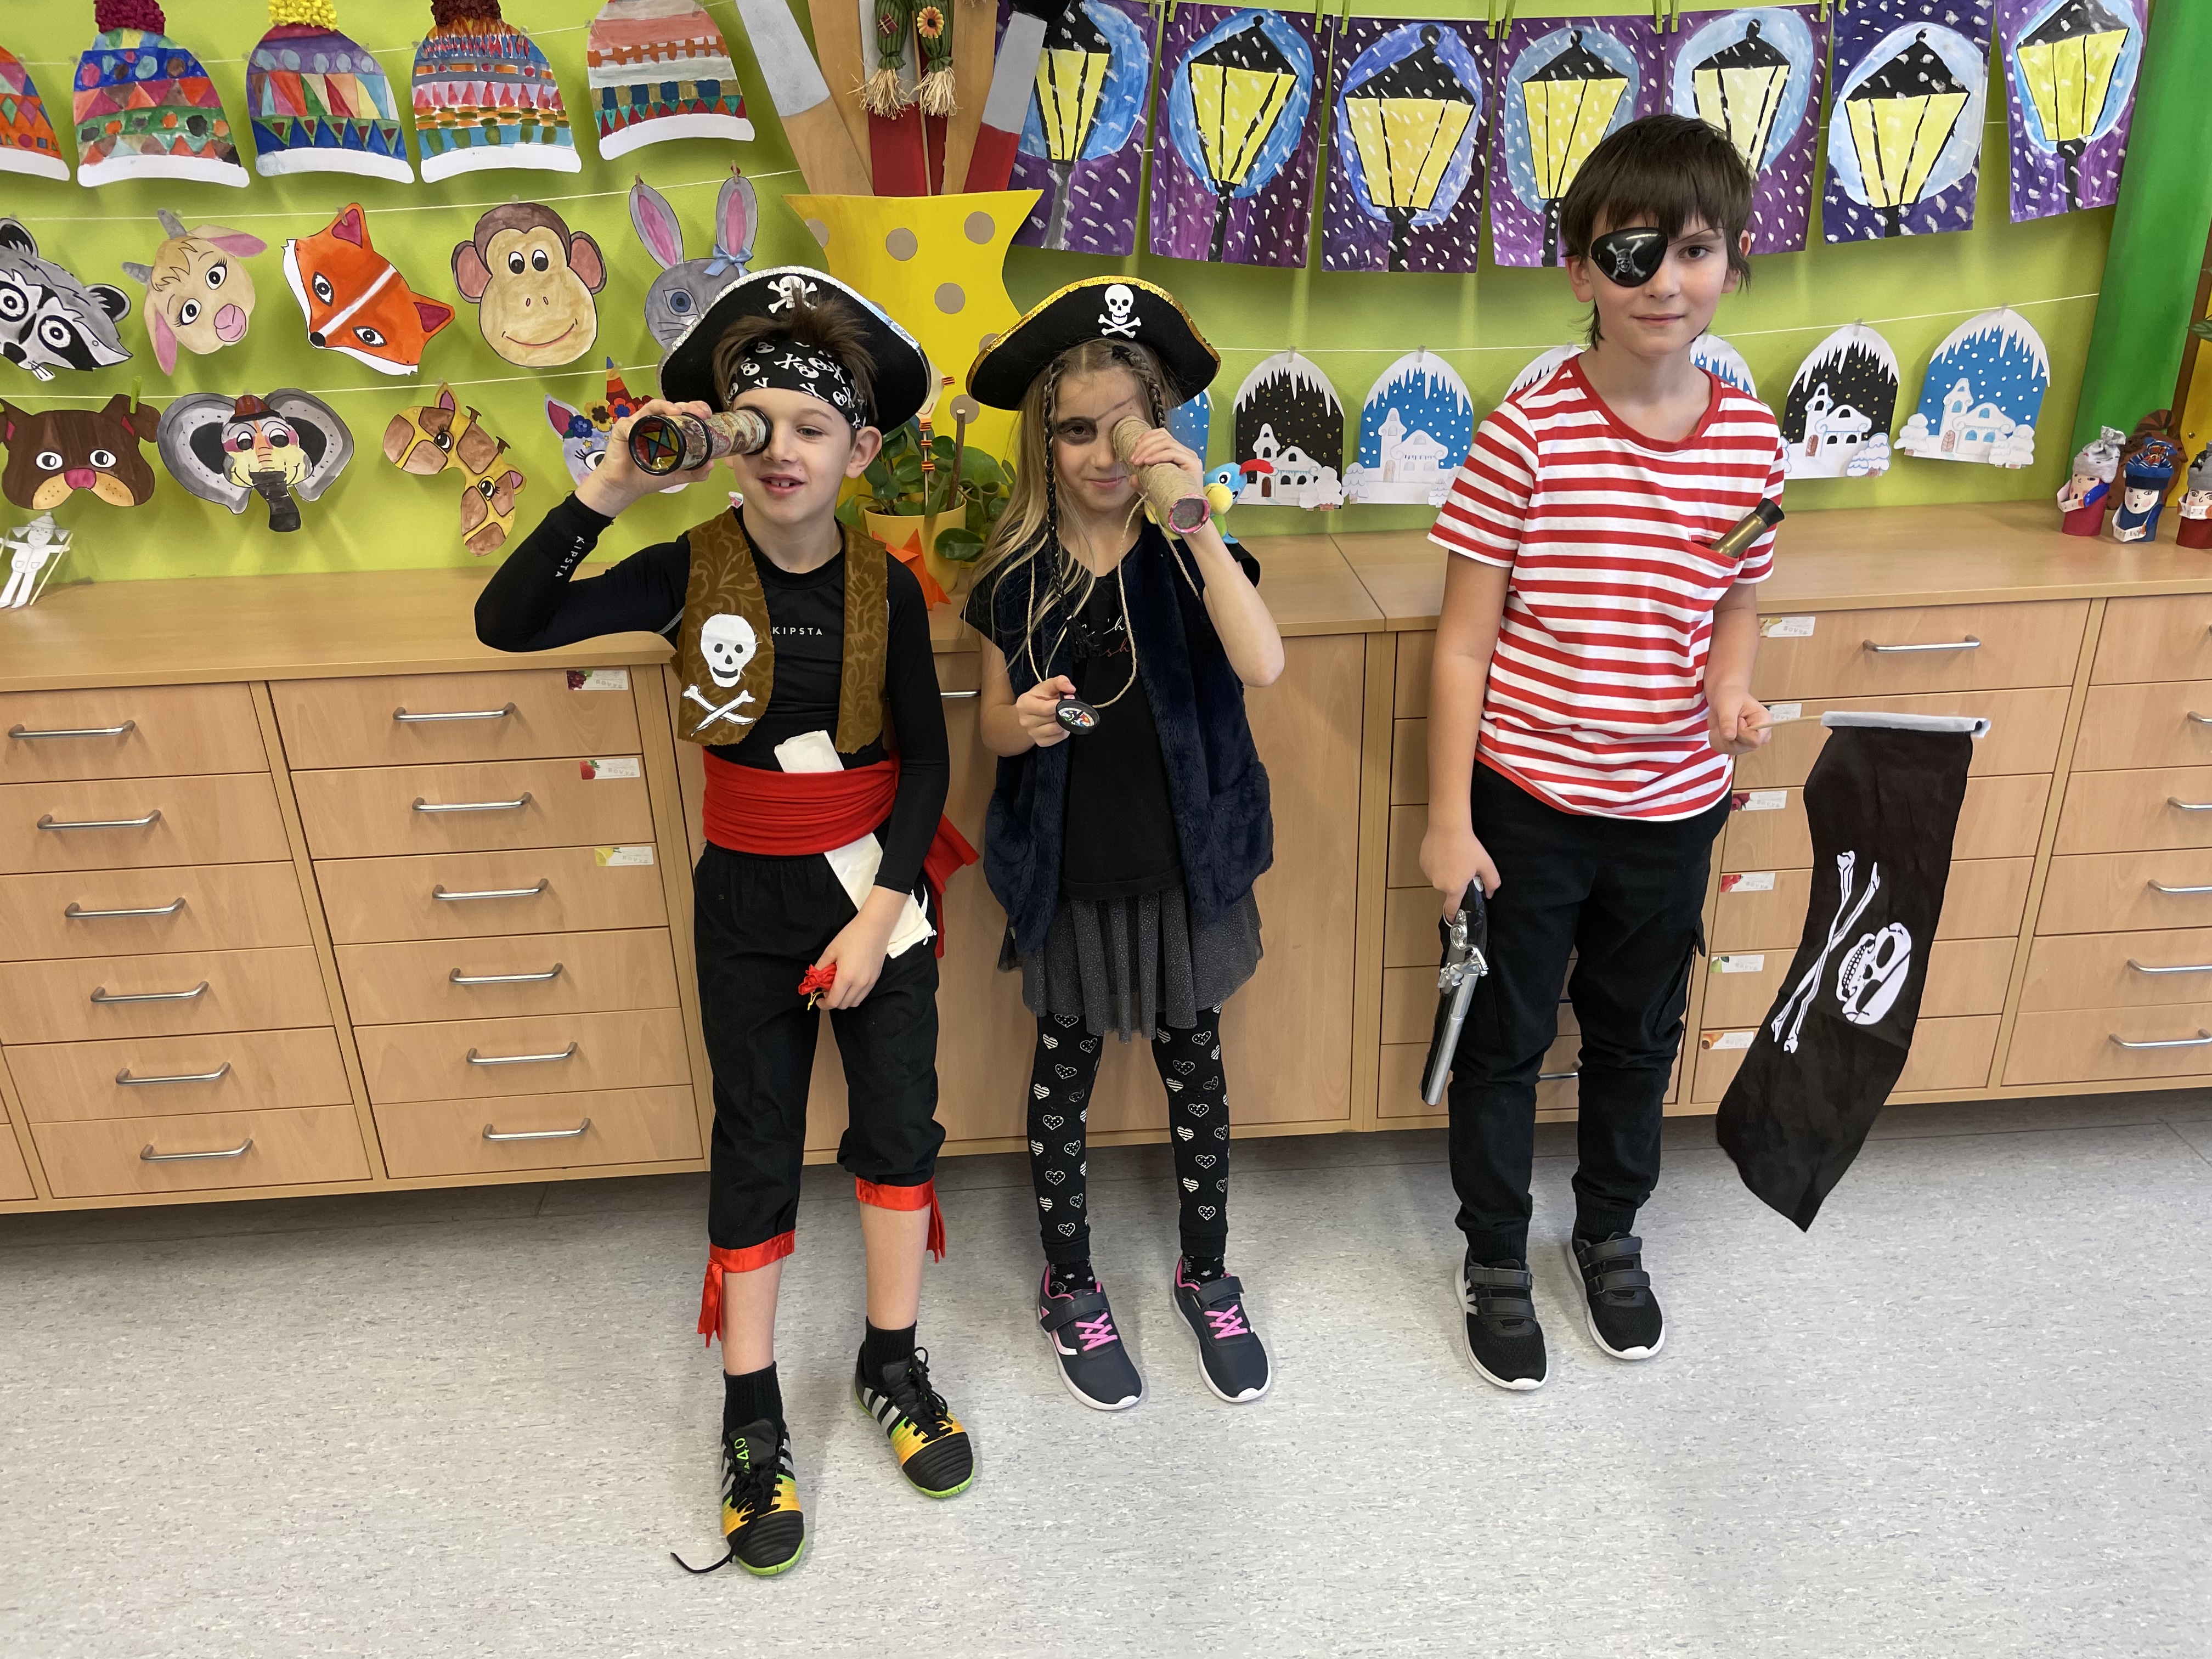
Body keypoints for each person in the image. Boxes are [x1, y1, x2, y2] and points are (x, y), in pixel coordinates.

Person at [475, 267, 977, 1577]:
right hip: (746, 897)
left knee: (898, 1124)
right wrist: (613, 483)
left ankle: (891, 1359)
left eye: (814, 427)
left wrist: (881, 913)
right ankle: (752, 1410)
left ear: (861, 447)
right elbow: (508, 621)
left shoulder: (885, 586)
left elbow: (927, 761)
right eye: (758, 424)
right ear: (724, 436)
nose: (783, 449)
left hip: (876, 890)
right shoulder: (682, 570)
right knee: (755, 1137)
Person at [1420, 115, 1785, 1391]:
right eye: (1631, 254)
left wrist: (1730, 688)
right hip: (1526, 801)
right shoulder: (1526, 435)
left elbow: (1737, 593)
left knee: (1637, 1036)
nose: (1663, 281)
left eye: (1694, 250)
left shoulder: (1752, 441)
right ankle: (1494, 1253)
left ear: (1732, 261)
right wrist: (1448, 819)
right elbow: (1463, 643)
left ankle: (1610, 1235)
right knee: (1505, 1037)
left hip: (1673, 807)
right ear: (1580, 269)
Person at [962, 276, 1285, 1410]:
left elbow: (1263, 663)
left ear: (1165, 433)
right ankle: (1070, 1283)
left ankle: (1207, 1273)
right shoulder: (1015, 579)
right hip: (1073, 877)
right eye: (1076, 431)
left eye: (1128, 428)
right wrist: (1025, 720)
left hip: (1187, 872)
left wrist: (1193, 520)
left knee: (1198, 1073)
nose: (1104, 454)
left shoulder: (1190, 554)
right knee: (1064, 1081)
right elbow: (990, 728)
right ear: (1042, 446)